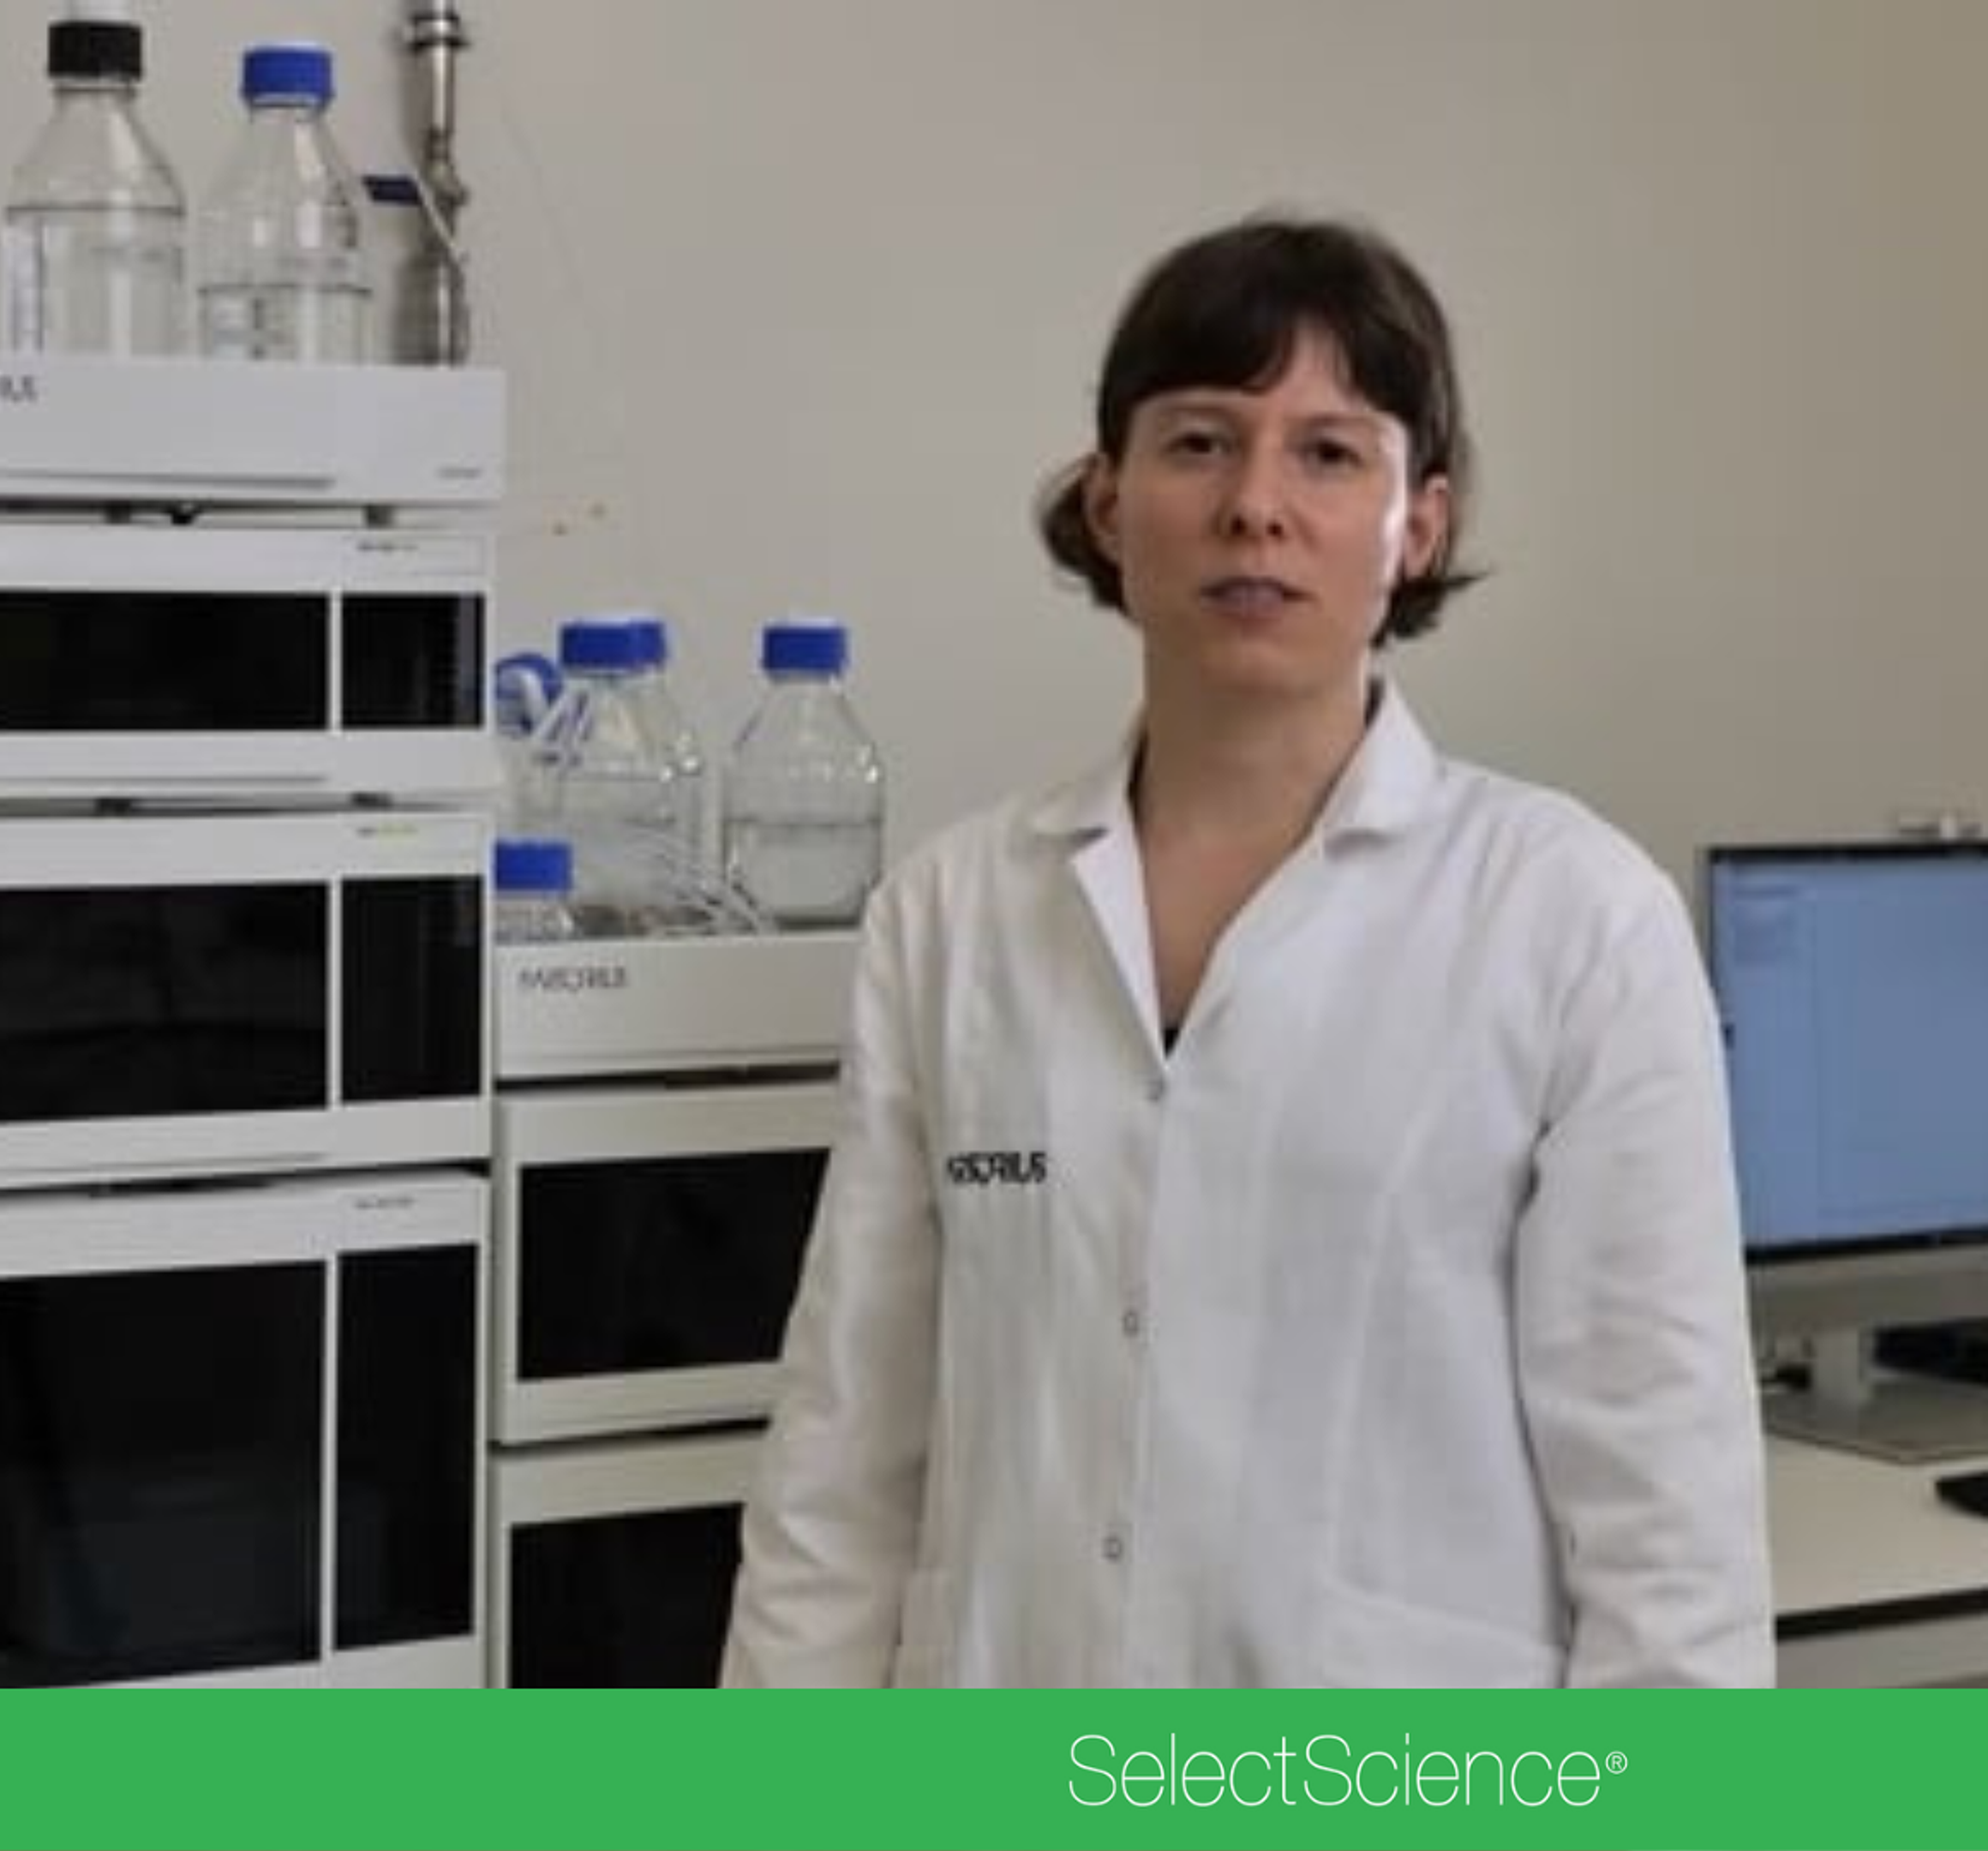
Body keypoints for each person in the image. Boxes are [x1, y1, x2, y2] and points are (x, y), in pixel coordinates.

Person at [719, 213, 1774, 1686]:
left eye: (1329, 453)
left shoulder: (1577, 922)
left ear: (1420, 526)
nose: (1255, 506)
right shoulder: (950, 918)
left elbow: (1672, 1537)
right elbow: (843, 1463)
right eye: (1200, 442)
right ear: (1109, 504)